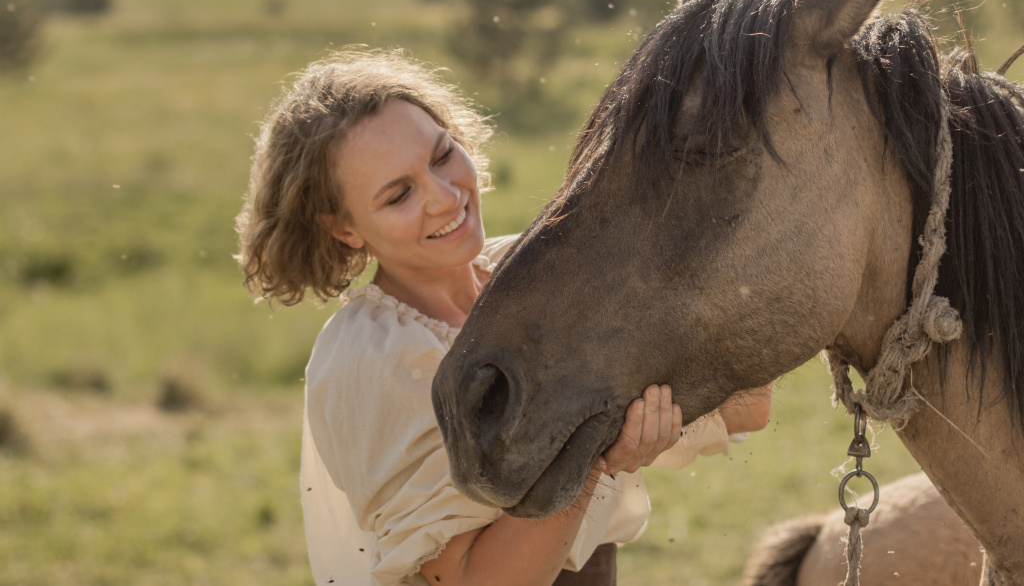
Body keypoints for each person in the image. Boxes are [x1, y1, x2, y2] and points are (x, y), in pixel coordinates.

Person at [236, 48, 772, 586]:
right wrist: (594, 453)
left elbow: (749, 404)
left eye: (443, 155)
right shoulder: (371, 359)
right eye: (399, 194)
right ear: (344, 229)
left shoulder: (538, 274)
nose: (446, 197)